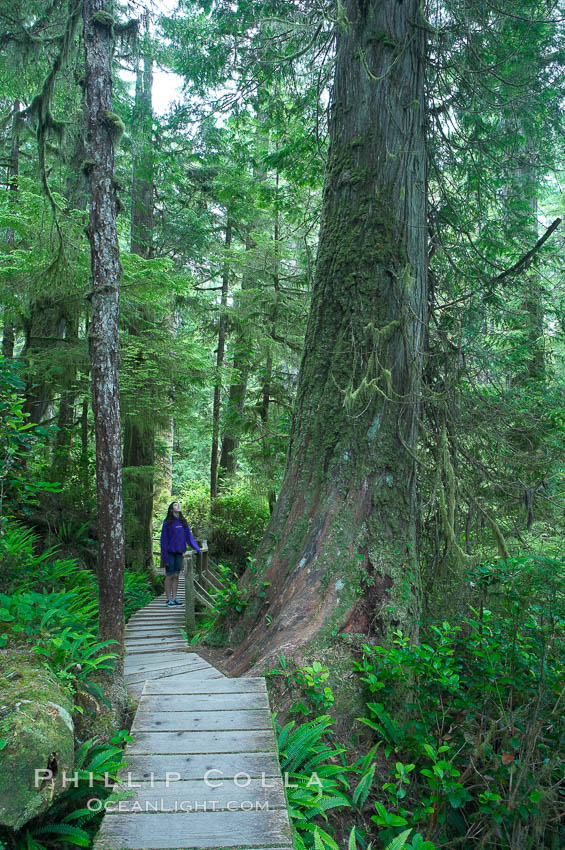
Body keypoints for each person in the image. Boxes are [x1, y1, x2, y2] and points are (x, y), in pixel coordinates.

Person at [160, 501, 201, 606]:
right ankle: (168, 599)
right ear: (171, 509)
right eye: (175, 505)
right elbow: (163, 541)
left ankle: (175, 598)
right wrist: (165, 557)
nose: (178, 506)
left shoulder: (183, 522)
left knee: (176, 575)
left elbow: (189, 537)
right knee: (169, 575)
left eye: (178, 504)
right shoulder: (167, 523)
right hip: (169, 553)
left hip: (179, 553)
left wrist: (197, 548)